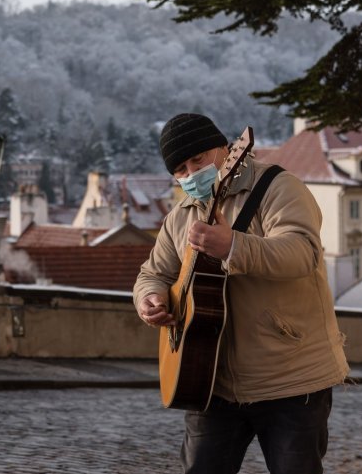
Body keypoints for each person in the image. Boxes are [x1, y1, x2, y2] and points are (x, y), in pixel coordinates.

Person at [135, 113, 349, 474]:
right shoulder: (179, 216)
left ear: (225, 149)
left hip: (291, 380)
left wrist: (234, 245)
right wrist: (149, 299)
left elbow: (303, 253)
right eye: (181, 170)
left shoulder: (279, 187)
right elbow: (152, 274)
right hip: (210, 381)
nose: (191, 175)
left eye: (198, 160)